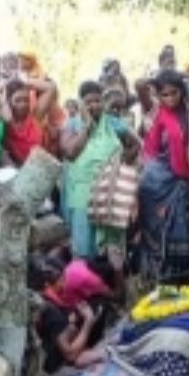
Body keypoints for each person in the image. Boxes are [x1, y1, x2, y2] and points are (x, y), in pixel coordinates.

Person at [60, 82, 139, 257]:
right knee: (84, 245)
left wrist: (123, 161)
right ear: (80, 103)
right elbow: (70, 153)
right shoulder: (71, 125)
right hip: (82, 192)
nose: (94, 105)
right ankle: (84, 280)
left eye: (97, 101)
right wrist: (87, 127)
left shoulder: (113, 123)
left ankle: (113, 282)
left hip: (109, 191)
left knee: (113, 245)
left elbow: (135, 144)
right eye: (88, 102)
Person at [135, 69, 189, 281]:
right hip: (154, 183)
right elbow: (139, 85)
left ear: (182, 92)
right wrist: (156, 78)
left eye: (174, 92)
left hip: (179, 181)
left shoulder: (188, 108)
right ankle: (153, 278)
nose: (170, 98)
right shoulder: (154, 109)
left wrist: (184, 74)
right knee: (154, 229)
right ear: (158, 95)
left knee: (180, 230)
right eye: (165, 94)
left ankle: (176, 277)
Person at [0, 78, 56, 166]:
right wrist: (4, 95)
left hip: (38, 169)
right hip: (14, 171)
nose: (23, 104)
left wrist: (24, 82)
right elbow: (6, 116)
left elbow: (51, 88)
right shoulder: (3, 122)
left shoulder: (35, 116)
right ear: (9, 101)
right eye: (18, 100)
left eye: (26, 100)